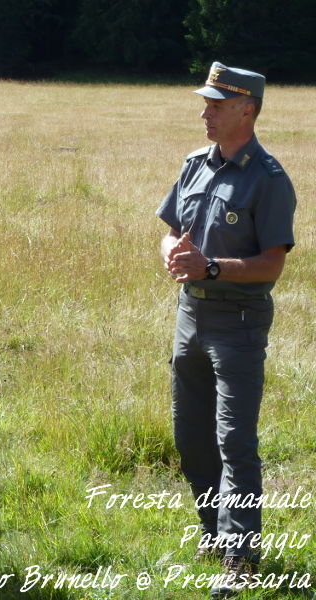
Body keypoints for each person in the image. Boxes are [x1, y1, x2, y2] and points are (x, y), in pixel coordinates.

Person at [157, 63, 296, 598]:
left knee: (234, 440)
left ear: (247, 110)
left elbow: (271, 265)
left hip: (237, 323)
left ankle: (240, 559)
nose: (204, 113)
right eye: (206, 103)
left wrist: (210, 267)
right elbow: (171, 234)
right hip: (189, 316)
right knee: (190, 437)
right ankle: (214, 533)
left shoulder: (269, 179)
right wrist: (175, 255)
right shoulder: (194, 164)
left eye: (216, 105)